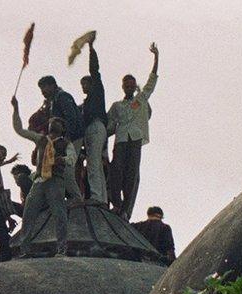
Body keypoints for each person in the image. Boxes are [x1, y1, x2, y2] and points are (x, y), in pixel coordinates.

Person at [13, 99, 81, 256]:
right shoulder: (41, 139)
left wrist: (61, 160)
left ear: (62, 128)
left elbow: (72, 159)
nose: (53, 123)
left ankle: (61, 248)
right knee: (29, 214)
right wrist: (16, 109)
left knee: (59, 214)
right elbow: (20, 130)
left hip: (55, 180)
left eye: (57, 122)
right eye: (52, 121)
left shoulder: (65, 144)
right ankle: (25, 249)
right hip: (39, 181)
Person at [107, 43, 160, 220]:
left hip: (135, 140)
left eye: (132, 85)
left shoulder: (140, 100)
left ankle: (126, 211)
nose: (129, 87)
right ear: (123, 87)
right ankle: (117, 204)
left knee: (132, 176)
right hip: (121, 140)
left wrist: (156, 58)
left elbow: (151, 83)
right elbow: (108, 125)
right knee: (116, 172)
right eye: (126, 85)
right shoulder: (117, 106)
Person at [80, 37, 108, 204]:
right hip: (94, 128)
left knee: (93, 163)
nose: (83, 87)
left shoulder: (97, 92)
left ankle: (97, 196)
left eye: (85, 84)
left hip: (96, 126)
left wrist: (91, 49)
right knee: (95, 163)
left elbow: (95, 71)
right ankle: (101, 197)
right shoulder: (87, 102)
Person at [37, 75, 84, 153]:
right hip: (68, 138)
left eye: (44, 87)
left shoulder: (62, 96)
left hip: (74, 136)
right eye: (41, 89)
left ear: (52, 85)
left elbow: (71, 117)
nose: (42, 92)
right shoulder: (54, 101)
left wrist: (68, 137)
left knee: (70, 162)